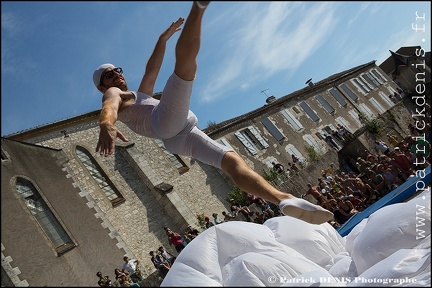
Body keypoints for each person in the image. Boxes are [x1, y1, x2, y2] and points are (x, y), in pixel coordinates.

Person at [93, 1, 332, 225]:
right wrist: (106, 124)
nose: (116, 75)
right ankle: (199, 6)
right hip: (165, 124)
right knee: (184, 69)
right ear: (102, 86)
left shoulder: (138, 95)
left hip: (178, 137)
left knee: (230, 162)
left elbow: (151, 68)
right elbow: (109, 106)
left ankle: (283, 199)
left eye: (117, 70)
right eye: (109, 74)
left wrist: (163, 39)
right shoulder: (113, 93)